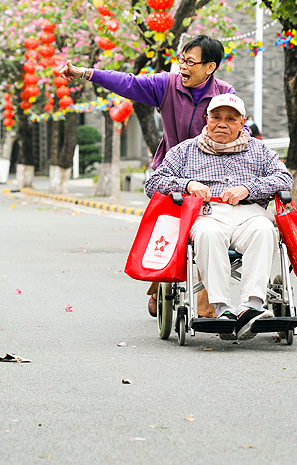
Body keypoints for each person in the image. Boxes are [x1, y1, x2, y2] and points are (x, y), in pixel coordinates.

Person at [59, 35, 235, 318]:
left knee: (208, 228)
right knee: (168, 226)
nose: (183, 66)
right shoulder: (166, 84)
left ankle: (207, 306)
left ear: (210, 67)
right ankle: (159, 284)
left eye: (191, 62)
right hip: (173, 172)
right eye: (182, 60)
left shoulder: (224, 93)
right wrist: (85, 73)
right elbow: (128, 82)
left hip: (211, 174)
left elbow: (239, 129)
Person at [145, 93, 293, 340]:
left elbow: (284, 178)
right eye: (216, 117)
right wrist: (188, 184)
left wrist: (250, 188)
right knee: (207, 233)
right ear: (206, 119)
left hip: (250, 212)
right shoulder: (185, 150)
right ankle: (223, 309)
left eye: (231, 118)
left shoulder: (259, 150)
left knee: (265, 230)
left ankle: (251, 307)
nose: (222, 123)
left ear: (242, 122)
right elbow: (153, 183)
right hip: (207, 214)